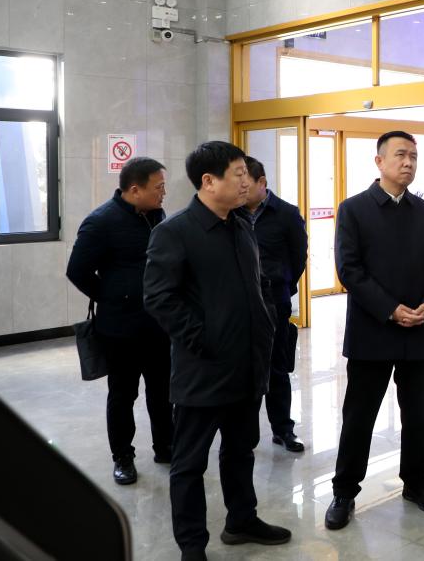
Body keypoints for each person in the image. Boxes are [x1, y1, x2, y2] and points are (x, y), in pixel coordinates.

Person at [144, 141, 291, 561]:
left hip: (248, 365)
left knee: (241, 449)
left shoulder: (241, 224)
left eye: (247, 173)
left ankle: (241, 520)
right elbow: (159, 298)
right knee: (189, 463)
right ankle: (192, 546)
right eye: (239, 173)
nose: (247, 181)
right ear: (209, 181)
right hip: (203, 369)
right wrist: (205, 340)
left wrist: (265, 323)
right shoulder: (174, 232)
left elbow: (258, 283)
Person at [325, 131, 424, 531]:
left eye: (413, 156)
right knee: (359, 415)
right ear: (379, 161)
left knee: (417, 414)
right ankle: (344, 491)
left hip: (420, 328)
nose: (408, 162)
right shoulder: (353, 209)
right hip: (373, 331)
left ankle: (416, 483)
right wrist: (390, 310)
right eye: (400, 155)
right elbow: (349, 269)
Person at [66, 157, 174, 486]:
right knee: (123, 395)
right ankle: (123, 457)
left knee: (162, 391)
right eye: (158, 187)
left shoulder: (156, 216)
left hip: (159, 325)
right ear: (134, 189)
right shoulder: (101, 222)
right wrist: (112, 296)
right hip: (121, 329)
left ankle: (166, 447)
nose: (163, 193)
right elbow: (77, 270)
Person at [239, 157, 309, 453]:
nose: (241, 190)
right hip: (240, 305)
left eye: (246, 185)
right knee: (243, 370)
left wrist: (283, 284)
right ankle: (243, 432)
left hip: (275, 303)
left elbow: (299, 256)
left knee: (277, 368)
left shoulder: (286, 213)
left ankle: (283, 429)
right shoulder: (232, 212)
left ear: (262, 183)